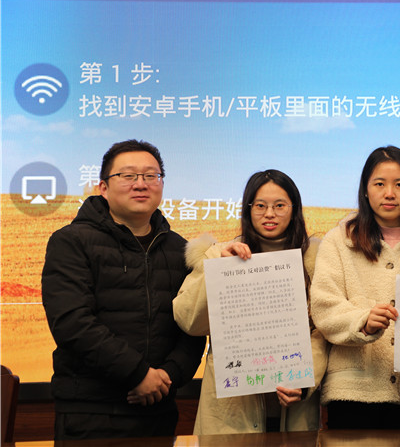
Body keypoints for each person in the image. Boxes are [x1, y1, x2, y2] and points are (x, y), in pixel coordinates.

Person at [41, 140, 205, 440]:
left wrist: (167, 376)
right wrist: (138, 374)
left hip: (159, 410)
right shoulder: (71, 241)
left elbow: (191, 326)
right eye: (128, 175)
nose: (141, 184)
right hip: (91, 412)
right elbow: (72, 323)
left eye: (151, 176)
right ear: (103, 187)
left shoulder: (179, 249)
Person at [173, 169, 326, 434]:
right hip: (232, 410)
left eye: (280, 205)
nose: (269, 214)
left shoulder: (315, 261)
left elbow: (322, 334)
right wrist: (219, 270)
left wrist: (304, 381)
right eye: (260, 206)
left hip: (293, 406)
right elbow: (189, 321)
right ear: (248, 209)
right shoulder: (219, 254)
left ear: (294, 210)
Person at [309, 146, 400, 429]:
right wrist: (363, 321)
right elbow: (324, 307)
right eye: (379, 184)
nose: (390, 193)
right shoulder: (338, 241)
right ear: (365, 190)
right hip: (352, 394)